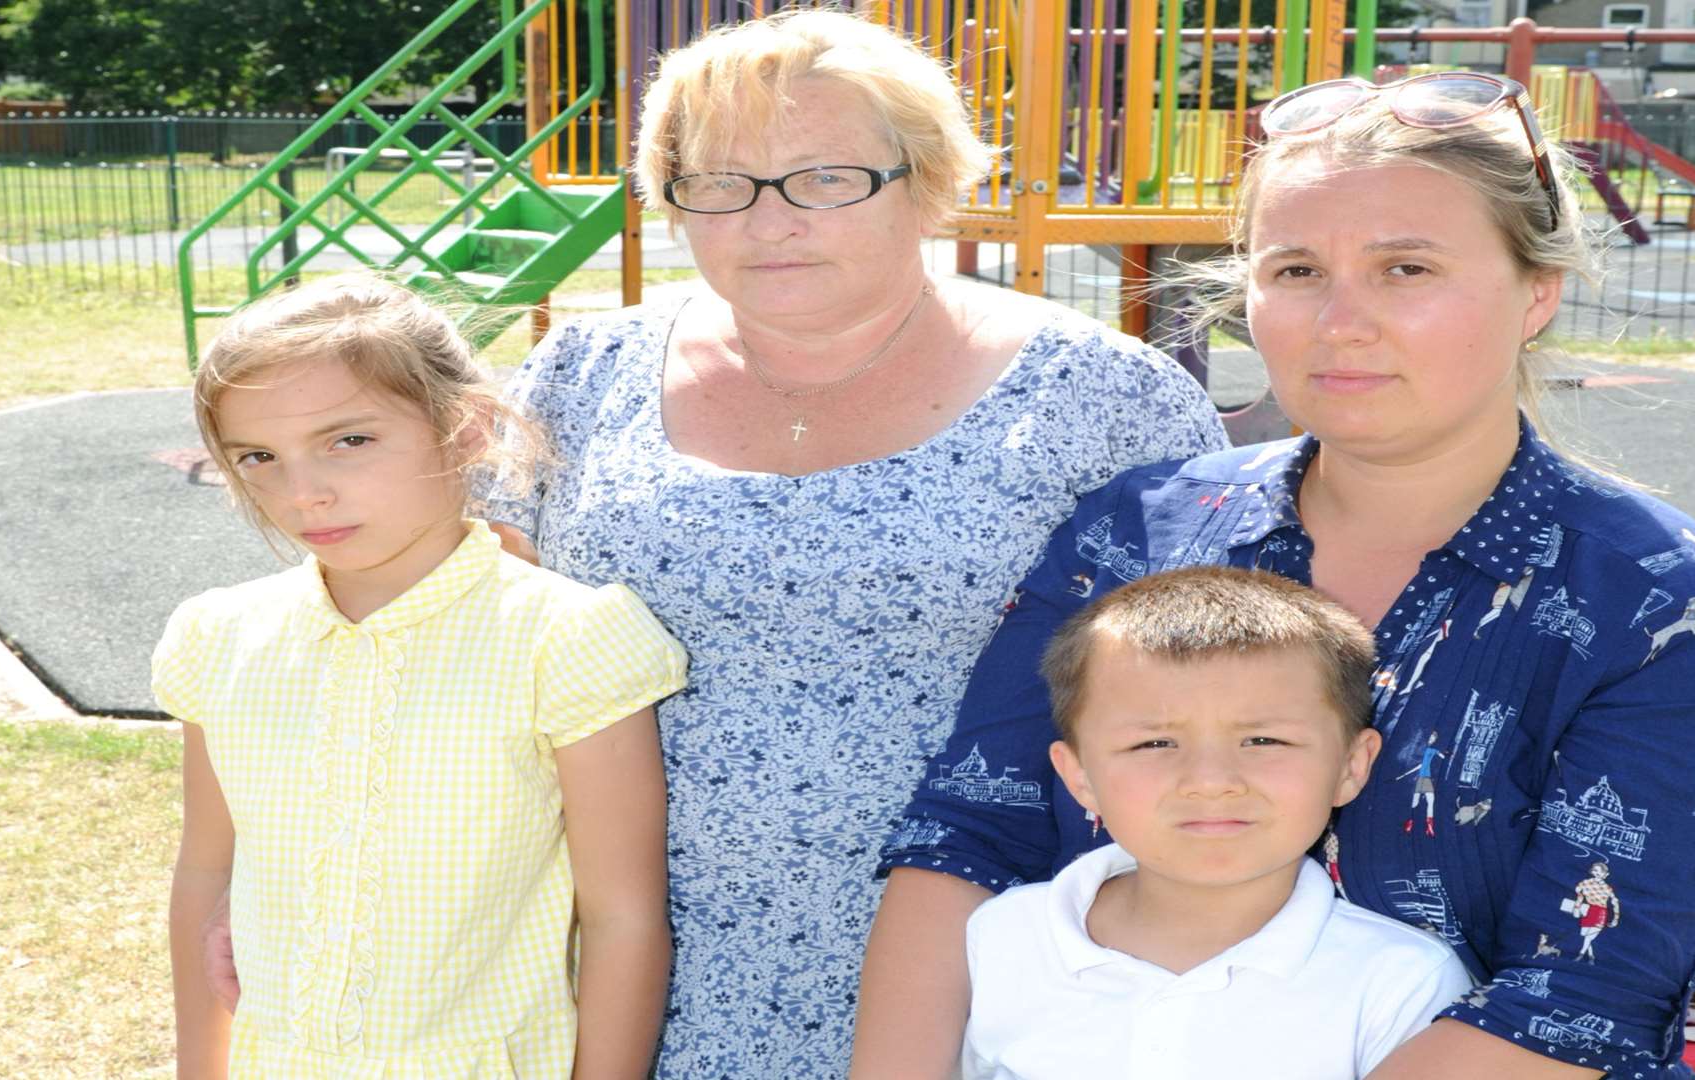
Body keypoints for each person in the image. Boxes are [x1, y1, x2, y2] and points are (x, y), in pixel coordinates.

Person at [858, 71, 1695, 1080]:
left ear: (1538, 291)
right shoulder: (1137, 532)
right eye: (1296, 270)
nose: (1341, 320)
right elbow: (967, 839)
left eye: (1407, 269)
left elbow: (1577, 1005)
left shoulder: (1660, 602)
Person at [480, 10, 1227, 1075]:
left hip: (989, 977)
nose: (768, 219)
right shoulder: (578, 376)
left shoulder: (1104, 397)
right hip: (619, 967)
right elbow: (471, 647)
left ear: (925, 182)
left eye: (825, 177)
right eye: (720, 180)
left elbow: (1215, 690)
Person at [160, 276, 687, 1077]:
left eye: (350, 440)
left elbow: (624, 918)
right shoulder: (218, 636)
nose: (304, 491)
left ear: (466, 428)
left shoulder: (567, 637)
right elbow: (207, 872)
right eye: (260, 458)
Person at [961, 566, 1471, 1079]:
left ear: (1350, 766)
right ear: (1079, 777)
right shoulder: (1003, 938)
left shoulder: (1401, 982)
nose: (1210, 780)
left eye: (1263, 740)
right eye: (1154, 743)